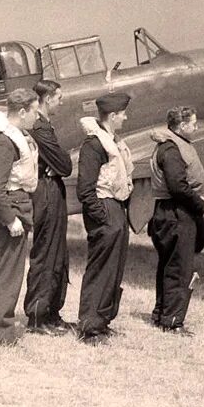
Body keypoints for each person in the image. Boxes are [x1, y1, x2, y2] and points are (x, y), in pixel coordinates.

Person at [75, 91, 133, 345]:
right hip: (106, 208)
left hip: (116, 208)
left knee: (114, 268)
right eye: (122, 113)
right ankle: (89, 327)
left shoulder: (111, 140)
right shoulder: (94, 144)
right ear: (112, 115)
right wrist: (103, 217)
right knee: (101, 269)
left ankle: (102, 321)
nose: (125, 117)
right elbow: (85, 189)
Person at [0, 88, 40, 345]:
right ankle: (1, 332)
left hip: (18, 206)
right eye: (33, 111)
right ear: (22, 111)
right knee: (8, 274)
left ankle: (1, 329)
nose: (36, 117)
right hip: (12, 209)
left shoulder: (15, 137)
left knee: (10, 271)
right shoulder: (4, 141)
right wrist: (10, 219)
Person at [148, 106, 204, 337]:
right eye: (193, 123)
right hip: (177, 213)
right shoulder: (172, 149)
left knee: (169, 265)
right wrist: (199, 204)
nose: (196, 127)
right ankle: (172, 320)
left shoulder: (170, 145)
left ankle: (161, 314)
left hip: (169, 212)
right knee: (179, 268)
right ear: (182, 126)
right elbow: (177, 186)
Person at [23, 80, 73, 335]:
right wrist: (61, 162)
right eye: (58, 97)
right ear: (46, 98)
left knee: (58, 254)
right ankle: (36, 316)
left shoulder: (45, 125)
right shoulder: (40, 128)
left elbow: (61, 165)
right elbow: (65, 166)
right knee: (46, 253)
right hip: (46, 191)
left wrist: (60, 162)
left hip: (53, 189)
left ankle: (52, 313)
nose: (61, 102)